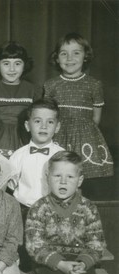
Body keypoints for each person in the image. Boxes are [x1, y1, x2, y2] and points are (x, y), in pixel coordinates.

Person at [44, 33, 113, 180]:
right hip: (59, 137)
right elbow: (47, 116)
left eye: (76, 53)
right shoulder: (50, 85)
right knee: (60, 175)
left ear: (85, 56)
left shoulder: (94, 84)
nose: (70, 59)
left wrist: (84, 134)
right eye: (64, 54)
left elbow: (96, 118)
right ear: (56, 58)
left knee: (81, 177)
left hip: (86, 139)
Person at [0, 41, 42, 158]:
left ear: (25, 65)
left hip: (26, 138)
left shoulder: (34, 90)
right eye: (6, 63)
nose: (12, 69)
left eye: (17, 63)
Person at [8, 99, 65, 215]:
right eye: (38, 121)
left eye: (50, 122)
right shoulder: (18, 156)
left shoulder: (63, 156)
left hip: (54, 211)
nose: (43, 126)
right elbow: (10, 187)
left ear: (57, 127)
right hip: (23, 210)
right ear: (27, 125)